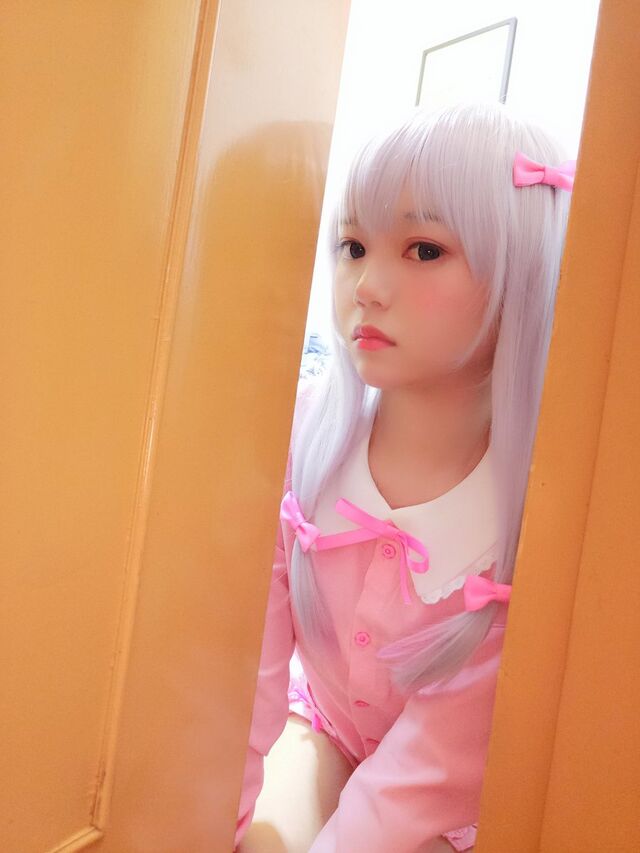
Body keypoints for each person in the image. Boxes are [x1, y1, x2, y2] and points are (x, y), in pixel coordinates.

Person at [234, 102, 575, 853]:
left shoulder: (543, 502)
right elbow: (243, 675)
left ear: (523, 266)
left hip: (457, 807)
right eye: (352, 245)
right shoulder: (299, 434)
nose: (366, 285)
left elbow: (432, 769)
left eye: (424, 249)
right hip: (326, 731)